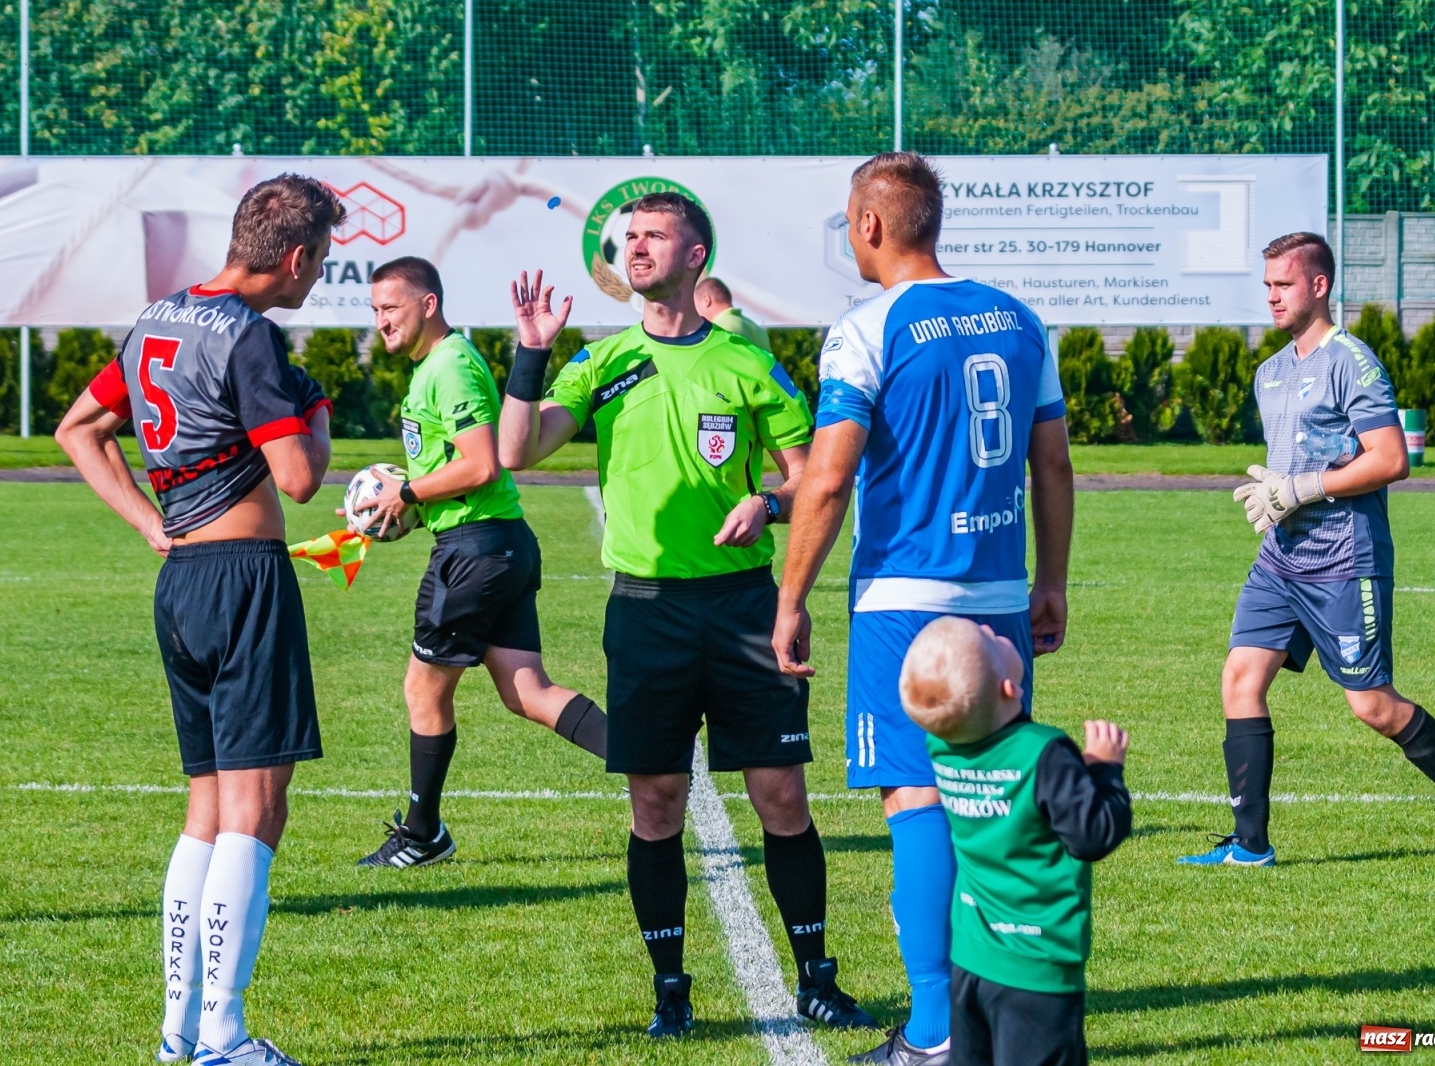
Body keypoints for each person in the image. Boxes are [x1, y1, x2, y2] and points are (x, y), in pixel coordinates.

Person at [497, 192, 875, 1039]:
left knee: (781, 795)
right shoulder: (603, 362)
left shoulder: (745, 363)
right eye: (628, 237)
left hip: (743, 608)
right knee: (657, 804)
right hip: (645, 612)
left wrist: (767, 506)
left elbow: (810, 479)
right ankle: (670, 991)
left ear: (695, 254)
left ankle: (817, 979)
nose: (635, 248)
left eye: (654, 236)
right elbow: (516, 450)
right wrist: (531, 353)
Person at [772, 151, 1075, 1066]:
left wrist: (790, 597)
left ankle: (937, 1032)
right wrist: (1051, 580)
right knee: (985, 800)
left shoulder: (868, 328)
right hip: (1000, 597)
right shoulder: (1020, 319)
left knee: (916, 800)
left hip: (907, 603)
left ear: (869, 225)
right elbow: (1052, 463)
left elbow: (828, 479)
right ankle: (997, 1011)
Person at [55, 174, 341, 1066]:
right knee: (256, 809)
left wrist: (150, 524)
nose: (316, 276)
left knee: (207, 809)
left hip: (181, 581)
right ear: (295, 256)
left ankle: (179, 1031)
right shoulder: (250, 335)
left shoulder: (159, 317)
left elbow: (79, 429)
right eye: (320, 262)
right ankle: (223, 1035)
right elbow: (299, 478)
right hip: (244, 579)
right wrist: (317, 410)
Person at [1181, 231, 1435, 868]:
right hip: (1281, 560)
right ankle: (1251, 845)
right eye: (1267, 285)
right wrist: (1275, 492)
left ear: (1319, 284)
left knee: (1373, 706)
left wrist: (1301, 488)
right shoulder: (1271, 372)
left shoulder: (1351, 363)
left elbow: (1391, 459)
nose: (1272, 296)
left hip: (1343, 561)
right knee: (1240, 678)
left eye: (1284, 284)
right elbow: (1294, 465)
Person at [348, 256, 609, 868]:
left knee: (422, 688)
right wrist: (391, 505)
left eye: (391, 307)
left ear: (428, 305)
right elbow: (453, 471)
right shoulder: (431, 369)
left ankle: (422, 835)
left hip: (475, 553)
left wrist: (407, 492)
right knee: (528, 691)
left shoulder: (451, 365)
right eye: (375, 310)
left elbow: (483, 465)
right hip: (494, 544)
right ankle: (648, 754)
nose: (381, 320)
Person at [899, 617, 1130, 1066]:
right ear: (1008, 688)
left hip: (971, 957)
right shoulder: (1043, 752)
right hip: (1035, 964)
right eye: (988, 639)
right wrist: (1104, 770)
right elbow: (1092, 835)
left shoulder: (942, 744)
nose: (991, 629)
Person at [695, 276, 772, 350]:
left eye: (695, 305)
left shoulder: (718, 329)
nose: (696, 312)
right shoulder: (756, 328)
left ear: (706, 300)